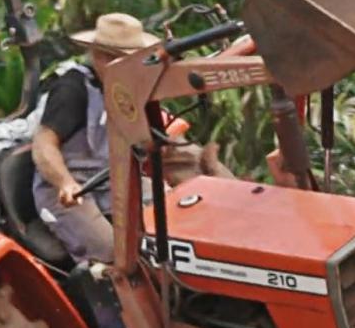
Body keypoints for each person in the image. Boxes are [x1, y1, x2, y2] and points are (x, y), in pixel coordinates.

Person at [31, 13, 233, 265]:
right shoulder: (72, 89)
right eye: (130, 61)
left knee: (174, 227)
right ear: (102, 58)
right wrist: (65, 182)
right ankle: (113, 296)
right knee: (116, 255)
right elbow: (43, 145)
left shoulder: (130, 86)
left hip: (116, 176)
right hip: (73, 188)